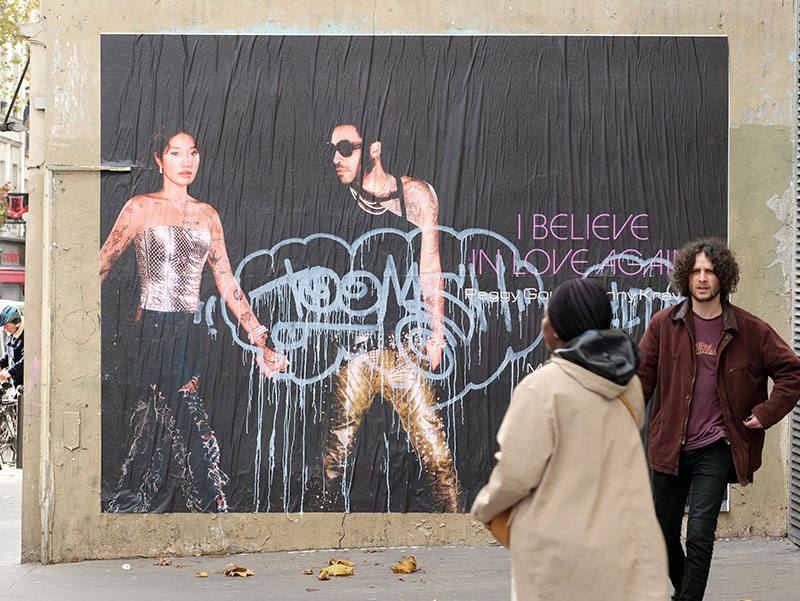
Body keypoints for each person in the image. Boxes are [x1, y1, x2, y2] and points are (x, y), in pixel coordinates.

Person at [99, 130, 285, 513]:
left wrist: (258, 335)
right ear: (159, 159)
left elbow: (226, 280)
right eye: (176, 152)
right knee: (189, 419)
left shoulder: (207, 215)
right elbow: (101, 265)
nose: (186, 161)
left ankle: (127, 504)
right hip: (152, 328)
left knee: (153, 427)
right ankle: (214, 504)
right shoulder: (140, 207)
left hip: (190, 330)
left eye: (193, 153)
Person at [472, 278, 669, 601]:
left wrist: (485, 507)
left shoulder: (541, 389)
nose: (543, 322)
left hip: (562, 557)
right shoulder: (628, 384)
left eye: (548, 315)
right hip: (628, 544)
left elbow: (516, 474)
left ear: (559, 330)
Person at [637, 237, 800, 601]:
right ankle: (687, 591)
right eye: (695, 271)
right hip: (670, 445)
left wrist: (765, 413)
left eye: (710, 271)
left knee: (699, 531)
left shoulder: (750, 329)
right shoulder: (664, 325)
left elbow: (792, 373)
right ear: (685, 277)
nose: (702, 278)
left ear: (722, 277)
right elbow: (641, 383)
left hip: (718, 445)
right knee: (660, 532)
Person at [318, 118, 460, 512]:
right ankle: (317, 530)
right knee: (336, 454)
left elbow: (430, 265)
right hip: (354, 352)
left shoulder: (415, 197)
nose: (337, 157)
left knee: (434, 450)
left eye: (347, 148)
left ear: (374, 149)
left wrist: (437, 333)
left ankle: (457, 530)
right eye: (333, 148)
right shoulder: (335, 200)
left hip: (404, 349)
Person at [0, 305, 23, 388]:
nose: (4, 329)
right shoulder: (11, 333)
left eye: (6, 326)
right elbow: (10, 352)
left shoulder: (27, 335)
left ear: (17, 323)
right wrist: (1, 364)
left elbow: (26, 360)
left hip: (26, 383)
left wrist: (9, 373)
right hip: (15, 382)